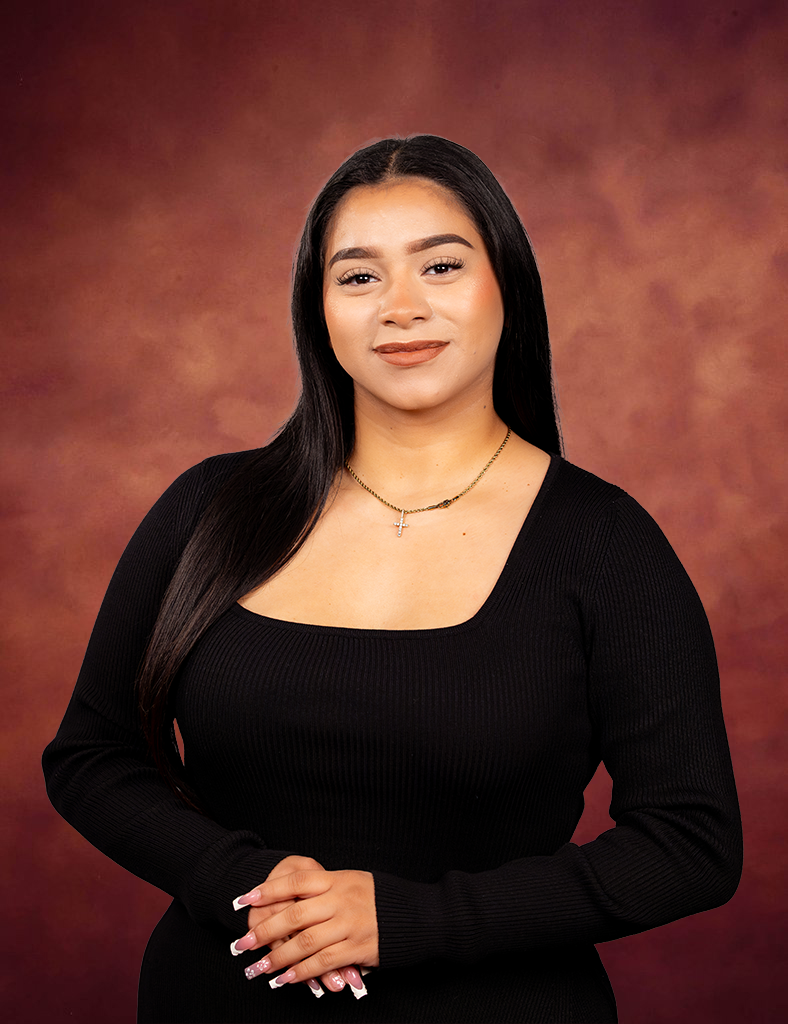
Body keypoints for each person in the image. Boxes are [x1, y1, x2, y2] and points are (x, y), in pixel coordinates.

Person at [43, 134, 742, 1024]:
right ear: (319, 311)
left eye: (441, 266)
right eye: (359, 276)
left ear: (507, 290)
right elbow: (91, 755)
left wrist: (406, 920)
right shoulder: (207, 507)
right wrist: (242, 884)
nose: (399, 308)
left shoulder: (604, 543)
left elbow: (691, 843)